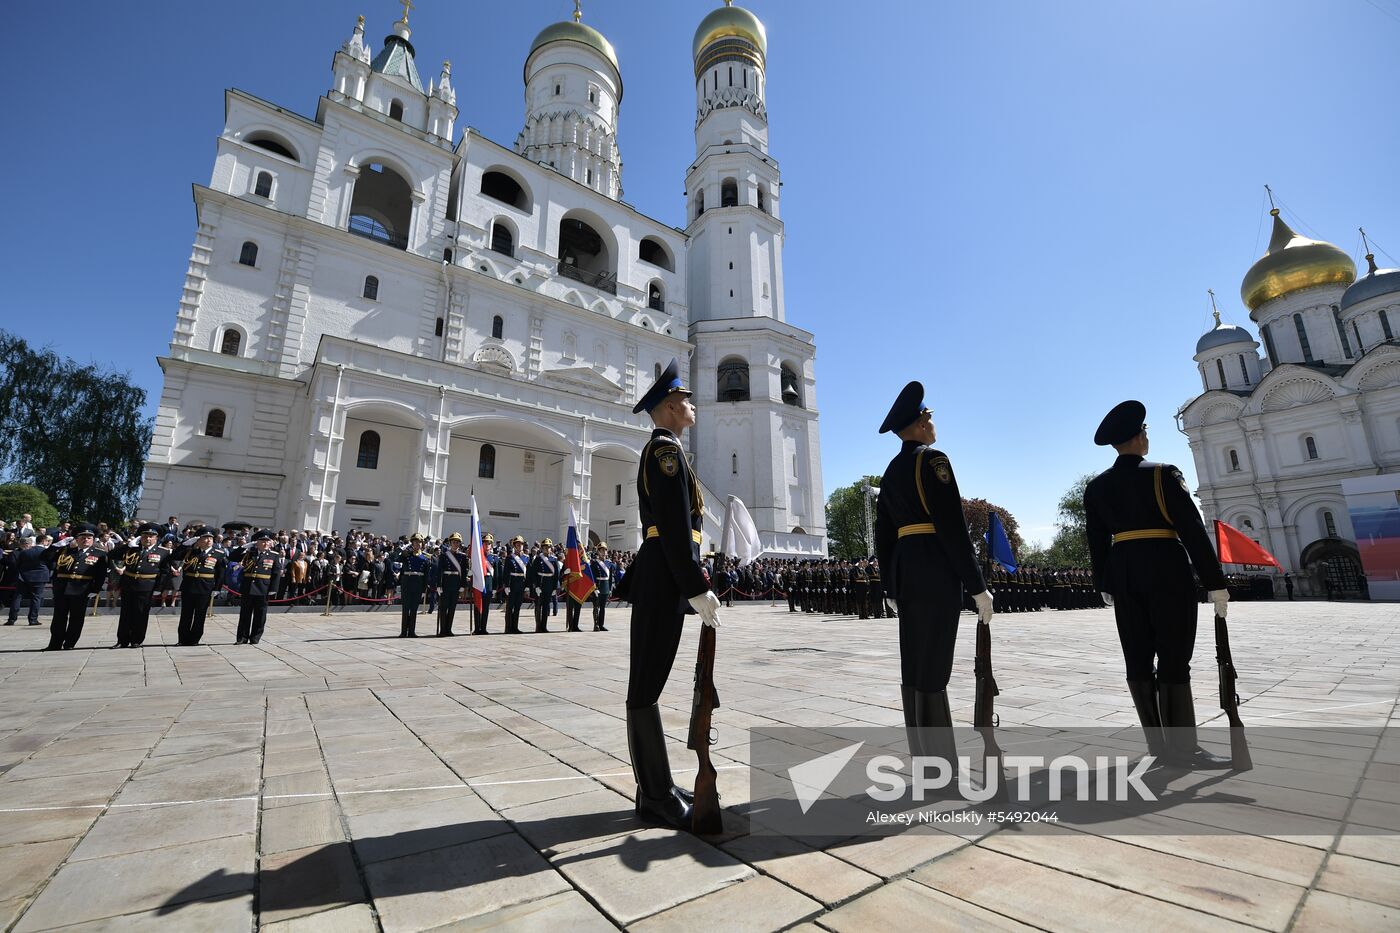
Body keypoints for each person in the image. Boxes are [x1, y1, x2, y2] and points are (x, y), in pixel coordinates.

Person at [1083, 400, 1231, 769]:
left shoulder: (1097, 486)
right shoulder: (1163, 474)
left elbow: (1096, 541)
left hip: (1123, 573)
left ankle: (1157, 745)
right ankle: (1183, 748)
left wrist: (1104, 582)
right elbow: (1193, 532)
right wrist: (1215, 581)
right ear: (1140, 436)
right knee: (1174, 657)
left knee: (1137, 658)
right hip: (1166, 569)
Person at [873, 381, 994, 769]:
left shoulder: (891, 471)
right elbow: (953, 528)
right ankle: (940, 765)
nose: (933, 423)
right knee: (935, 666)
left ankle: (926, 759)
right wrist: (978, 587)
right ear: (922, 422)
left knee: (915, 664)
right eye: (930, 416)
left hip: (907, 570)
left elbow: (883, 534)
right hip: (935, 568)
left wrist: (889, 583)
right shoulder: (933, 460)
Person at [623, 358, 722, 831]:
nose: (692, 404)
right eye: (685, 399)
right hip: (664, 576)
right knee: (645, 686)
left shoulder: (671, 451)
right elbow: (676, 529)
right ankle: (656, 794)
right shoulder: (665, 452)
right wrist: (696, 586)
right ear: (667, 406)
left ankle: (654, 788)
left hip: (666, 576)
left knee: (650, 683)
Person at [41, 524, 109, 650]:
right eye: (82, 537)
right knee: (59, 617)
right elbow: (44, 558)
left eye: (89, 537)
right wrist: (56, 545)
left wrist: (95, 589)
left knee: (76, 618)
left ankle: (69, 643)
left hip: (82, 589)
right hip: (62, 588)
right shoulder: (65, 550)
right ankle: (54, 643)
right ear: (76, 539)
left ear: (93, 539)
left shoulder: (99, 554)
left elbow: (101, 574)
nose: (86, 540)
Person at [106, 523, 171, 647]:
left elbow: (164, 572)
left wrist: (159, 588)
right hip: (129, 584)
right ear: (140, 537)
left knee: (141, 613)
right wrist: (127, 546)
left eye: (151, 536)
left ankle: (137, 639)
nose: (148, 538)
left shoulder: (163, 552)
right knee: (125, 613)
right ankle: (122, 640)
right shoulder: (132, 548)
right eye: (145, 536)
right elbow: (111, 555)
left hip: (147, 586)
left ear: (156, 538)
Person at [173, 527, 226, 646]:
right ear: (198, 540)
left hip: (205, 587)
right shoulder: (191, 551)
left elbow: (220, 573)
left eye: (210, 538)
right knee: (186, 614)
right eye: (205, 538)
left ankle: (194, 639)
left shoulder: (219, 553)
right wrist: (185, 544)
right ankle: (182, 639)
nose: (208, 540)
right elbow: (175, 556)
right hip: (189, 586)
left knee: (200, 615)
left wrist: (217, 588)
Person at [232, 530, 284, 644]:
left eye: (267, 541)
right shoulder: (249, 553)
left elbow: (276, 574)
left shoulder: (273, 555)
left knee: (260, 615)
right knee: (245, 614)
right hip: (248, 587)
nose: (265, 544)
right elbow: (233, 556)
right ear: (257, 542)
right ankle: (242, 637)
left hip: (263, 588)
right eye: (263, 541)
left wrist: (273, 589)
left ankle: (255, 637)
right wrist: (244, 546)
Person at [6, 534, 51, 627]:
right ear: (43, 541)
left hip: (24, 577)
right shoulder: (46, 552)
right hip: (39, 577)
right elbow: (52, 565)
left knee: (17, 597)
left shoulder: (25, 552)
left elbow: (18, 565)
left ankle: (11, 619)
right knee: (36, 598)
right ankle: (33, 619)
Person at [397, 534, 432, 637]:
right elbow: (396, 559)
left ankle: (411, 631)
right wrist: (402, 552)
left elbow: (426, 576)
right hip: (407, 582)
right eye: (415, 542)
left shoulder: (425, 558)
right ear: (412, 543)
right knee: (405, 608)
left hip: (418, 584)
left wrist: (424, 589)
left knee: (414, 609)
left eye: (419, 542)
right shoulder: (407, 555)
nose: (418, 544)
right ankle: (404, 631)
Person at [437, 532, 465, 637]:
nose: (455, 544)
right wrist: (439, 585)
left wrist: (463, 585)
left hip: (456, 583)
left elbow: (464, 572)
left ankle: (449, 629)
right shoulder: (444, 555)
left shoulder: (462, 556)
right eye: (454, 542)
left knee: (452, 607)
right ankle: (442, 629)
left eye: (457, 542)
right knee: (443, 607)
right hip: (446, 582)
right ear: (450, 543)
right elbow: (439, 571)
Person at [528, 539, 559, 633]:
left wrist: (554, 588)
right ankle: (538, 626)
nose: (547, 549)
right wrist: (536, 586)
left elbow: (556, 575)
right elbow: (533, 574)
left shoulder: (554, 560)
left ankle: (544, 626)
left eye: (549, 547)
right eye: (545, 547)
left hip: (549, 585)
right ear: (542, 548)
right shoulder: (538, 559)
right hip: (540, 584)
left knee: (546, 607)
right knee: (538, 606)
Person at [503, 536, 528, 633]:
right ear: (514, 546)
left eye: (521, 544)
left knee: (517, 606)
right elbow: (506, 573)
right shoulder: (510, 558)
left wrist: (527, 587)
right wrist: (506, 585)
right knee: (510, 607)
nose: (520, 546)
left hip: (521, 584)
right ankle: (508, 628)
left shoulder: (526, 558)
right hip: (512, 584)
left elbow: (527, 574)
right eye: (518, 544)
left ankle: (515, 627)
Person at [474, 533, 496, 634]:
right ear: (481, 544)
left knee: (486, 607)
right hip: (479, 583)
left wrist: (495, 587)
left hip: (489, 584)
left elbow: (497, 575)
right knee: (478, 606)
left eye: (489, 544)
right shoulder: (478, 556)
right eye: (485, 543)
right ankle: (477, 628)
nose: (487, 546)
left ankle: (483, 628)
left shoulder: (494, 558)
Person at [589, 543, 614, 631]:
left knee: (603, 607)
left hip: (605, 587)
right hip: (598, 587)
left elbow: (610, 577)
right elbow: (591, 577)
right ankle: (596, 625)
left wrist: (610, 588)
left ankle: (601, 624)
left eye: (605, 550)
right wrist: (594, 588)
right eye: (602, 550)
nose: (603, 552)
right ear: (598, 552)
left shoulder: (609, 563)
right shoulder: (594, 563)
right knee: (596, 607)